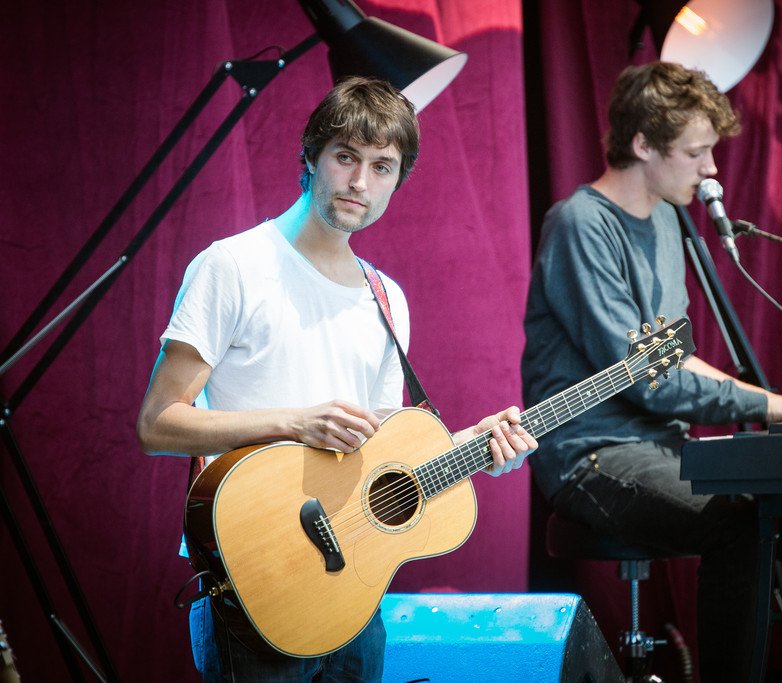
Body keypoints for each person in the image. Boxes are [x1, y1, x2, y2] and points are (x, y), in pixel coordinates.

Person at [137, 77, 537, 682]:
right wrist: (296, 422)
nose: (359, 183)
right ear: (311, 157)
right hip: (258, 573)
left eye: (381, 167)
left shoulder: (386, 298)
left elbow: (383, 455)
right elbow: (157, 423)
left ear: (398, 181)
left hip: (354, 585)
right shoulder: (234, 265)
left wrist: (476, 448)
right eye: (346, 157)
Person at [521, 61, 782, 681]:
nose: (711, 169)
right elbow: (644, 376)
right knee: (741, 524)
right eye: (696, 152)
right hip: (592, 455)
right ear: (643, 144)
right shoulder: (581, 224)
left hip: (662, 447)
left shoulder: (667, 218)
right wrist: (773, 404)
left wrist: (777, 402)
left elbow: (671, 356)